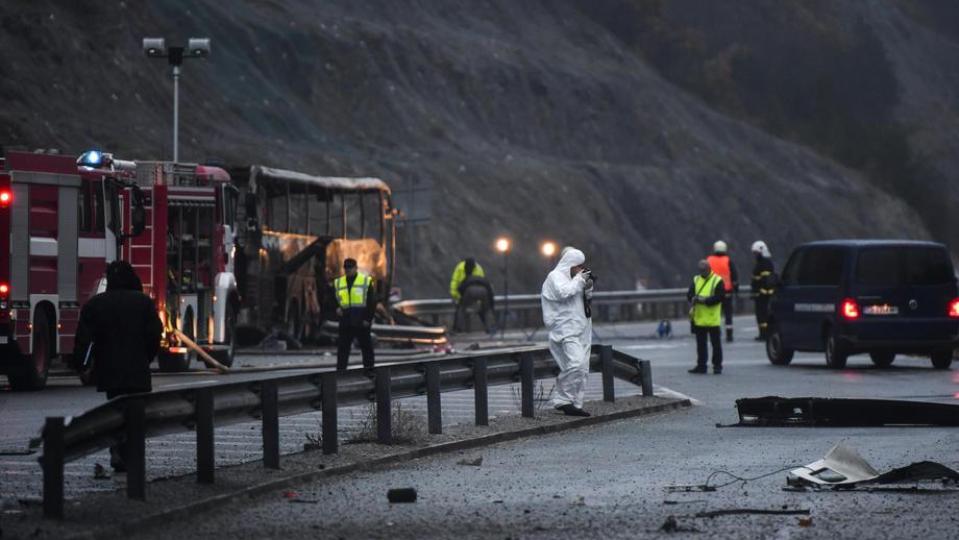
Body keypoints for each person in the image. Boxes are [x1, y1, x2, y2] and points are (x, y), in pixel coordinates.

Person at [73, 260, 162, 471]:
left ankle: (116, 451)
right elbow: (154, 336)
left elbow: (85, 340)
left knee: (115, 413)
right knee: (136, 416)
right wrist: (146, 358)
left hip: (109, 371)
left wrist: (83, 366)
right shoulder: (144, 304)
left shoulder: (95, 304)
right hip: (137, 371)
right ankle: (131, 456)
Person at [541, 247, 594, 416]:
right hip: (565, 331)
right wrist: (580, 279)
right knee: (576, 364)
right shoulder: (555, 277)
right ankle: (562, 400)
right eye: (578, 266)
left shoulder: (574, 280)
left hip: (581, 329)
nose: (580, 269)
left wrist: (588, 287)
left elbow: (583, 301)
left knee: (583, 369)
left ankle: (575, 403)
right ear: (569, 264)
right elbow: (564, 293)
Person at [334, 258, 377, 370]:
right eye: (346, 268)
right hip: (346, 321)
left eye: (350, 268)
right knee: (343, 349)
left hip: (361, 321)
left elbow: (371, 302)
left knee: (366, 348)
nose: (348, 270)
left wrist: (368, 319)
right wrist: (336, 309)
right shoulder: (339, 282)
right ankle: (341, 372)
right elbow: (332, 300)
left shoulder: (365, 281)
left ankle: (369, 371)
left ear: (355, 268)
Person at [688, 259, 726, 374]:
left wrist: (705, 301)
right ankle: (701, 365)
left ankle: (717, 366)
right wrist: (693, 298)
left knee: (716, 344)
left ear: (709, 269)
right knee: (701, 345)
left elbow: (720, 297)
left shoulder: (717, 280)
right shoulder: (696, 279)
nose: (702, 272)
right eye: (700, 270)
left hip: (712, 319)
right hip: (699, 318)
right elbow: (689, 294)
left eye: (703, 270)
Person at [450, 257, 496, 333]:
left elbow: (460, 287)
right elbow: (489, 289)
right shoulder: (480, 271)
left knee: (461, 309)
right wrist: (491, 304)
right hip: (483, 291)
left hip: (469, 291)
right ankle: (489, 328)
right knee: (485, 310)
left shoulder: (464, 275)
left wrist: (459, 298)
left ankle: (457, 329)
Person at [707, 240, 739, 342]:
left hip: (713, 292)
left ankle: (715, 333)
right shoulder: (728, 260)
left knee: (714, 314)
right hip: (726, 292)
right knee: (728, 314)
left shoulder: (709, 260)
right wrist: (736, 289)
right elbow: (734, 276)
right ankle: (729, 335)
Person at [750, 240, 776, 341]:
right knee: (760, 315)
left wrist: (762, 291)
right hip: (760, 294)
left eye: (756, 253)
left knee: (763, 315)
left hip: (763, 295)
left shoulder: (765, 263)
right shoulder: (762, 262)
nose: (755, 255)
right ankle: (763, 333)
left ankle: (765, 334)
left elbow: (766, 280)